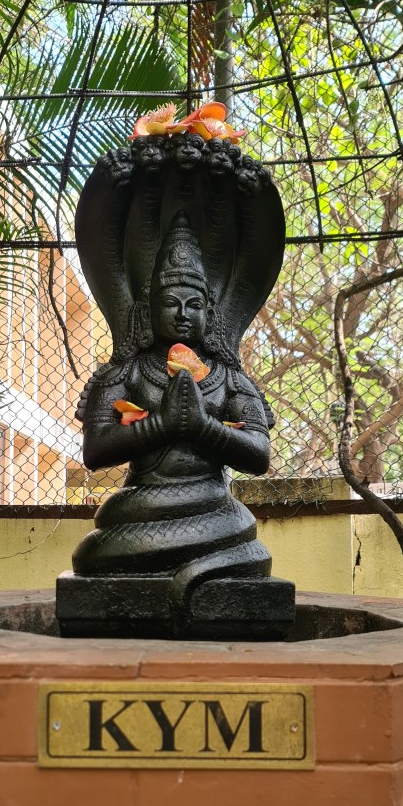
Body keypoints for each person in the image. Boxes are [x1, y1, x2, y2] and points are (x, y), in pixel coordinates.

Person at [73, 211, 272, 586]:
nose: (182, 314)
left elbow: (259, 454)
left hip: (214, 504)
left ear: (210, 313)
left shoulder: (229, 378)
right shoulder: (125, 373)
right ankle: (202, 569)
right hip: (141, 504)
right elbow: (95, 450)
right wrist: (162, 424)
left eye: (193, 305)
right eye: (171, 304)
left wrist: (203, 427)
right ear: (149, 310)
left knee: (243, 531)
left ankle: (207, 567)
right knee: (92, 555)